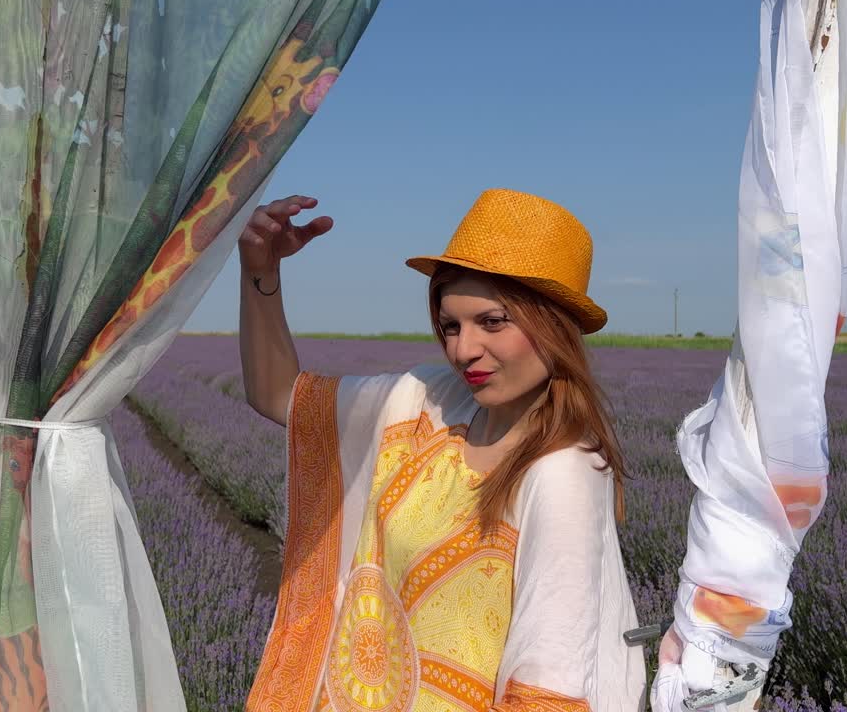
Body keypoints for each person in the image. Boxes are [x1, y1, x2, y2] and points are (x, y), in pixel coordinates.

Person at [239, 188, 647, 712]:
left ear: (554, 325)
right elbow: (280, 395)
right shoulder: (430, 402)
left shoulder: (563, 472)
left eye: (492, 322)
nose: (463, 349)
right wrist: (261, 274)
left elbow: (549, 687)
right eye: (451, 325)